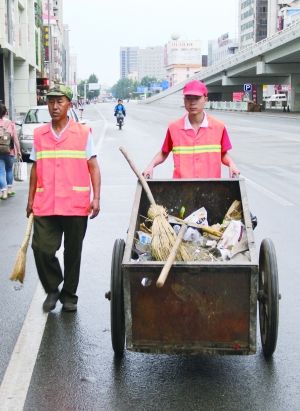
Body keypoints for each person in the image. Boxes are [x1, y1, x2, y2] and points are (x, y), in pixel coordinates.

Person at [26, 84, 101, 313]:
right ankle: (52, 287)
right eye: (51, 101)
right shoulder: (40, 134)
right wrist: (30, 200)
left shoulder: (82, 133)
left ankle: (69, 296)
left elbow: (93, 167)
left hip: (75, 203)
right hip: (46, 203)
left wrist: (96, 197)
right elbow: (35, 169)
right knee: (41, 249)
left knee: (73, 253)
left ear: (69, 104)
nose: (54, 106)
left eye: (59, 101)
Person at [143, 80, 240, 179]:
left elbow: (223, 154)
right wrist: (151, 166)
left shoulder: (219, 127)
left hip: (211, 188)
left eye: (197, 98)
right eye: (188, 98)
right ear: (184, 100)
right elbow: (164, 152)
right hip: (181, 188)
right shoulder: (174, 128)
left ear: (205, 99)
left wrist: (232, 164)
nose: (192, 103)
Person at [0, 103, 22, 200]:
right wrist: (19, 150)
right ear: (5, 112)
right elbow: (15, 138)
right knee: (9, 170)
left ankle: (3, 192)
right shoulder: (10, 123)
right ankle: (9, 189)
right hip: (10, 151)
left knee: (1, 172)